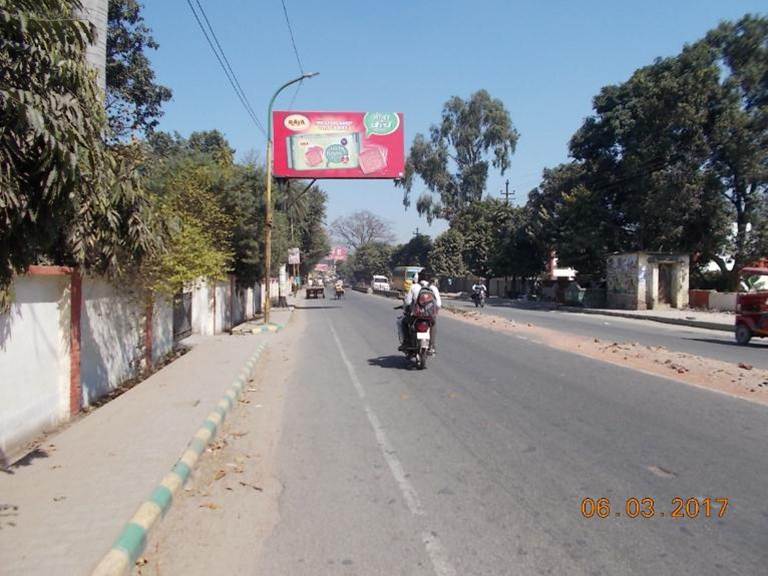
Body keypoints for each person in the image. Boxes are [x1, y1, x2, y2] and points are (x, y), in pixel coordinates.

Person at [401, 270, 442, 354]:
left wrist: (408, 309)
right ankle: (431, 346)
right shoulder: (433, 288)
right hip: (429, 317)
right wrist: (433, 312)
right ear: (429, 278)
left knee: (404, 322)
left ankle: (406, 342)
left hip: (416, 316)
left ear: (419, 277)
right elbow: (438, 304)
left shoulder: (414, 287)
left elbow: (408, 302)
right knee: (433, 324)